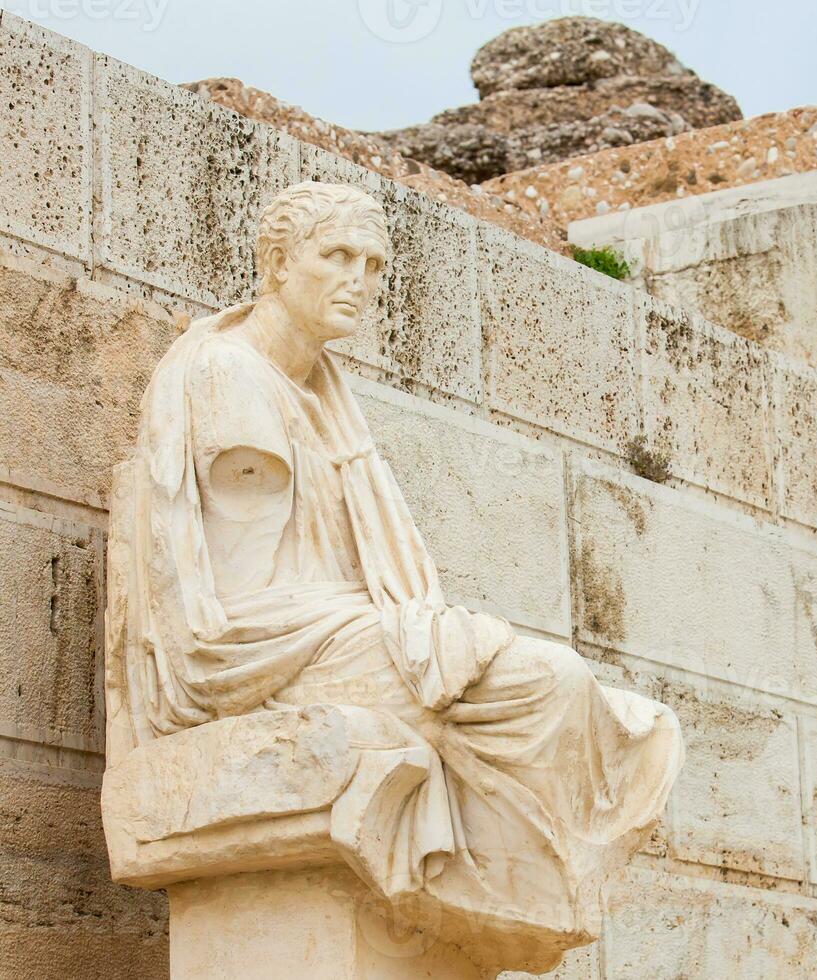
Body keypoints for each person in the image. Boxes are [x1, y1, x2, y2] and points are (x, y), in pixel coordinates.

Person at [112, 180, 682, 951]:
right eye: (337, 255)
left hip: (317, 632)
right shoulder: (231, 373)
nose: (361, 280)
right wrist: (413, 634)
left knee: (553, 683)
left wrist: (416, 628)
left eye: (375, 264)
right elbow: (238, 609)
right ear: (277, 263)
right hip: (255, 654)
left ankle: (513, 890)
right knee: (547, 683)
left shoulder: (321, 388)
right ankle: (511, 889)